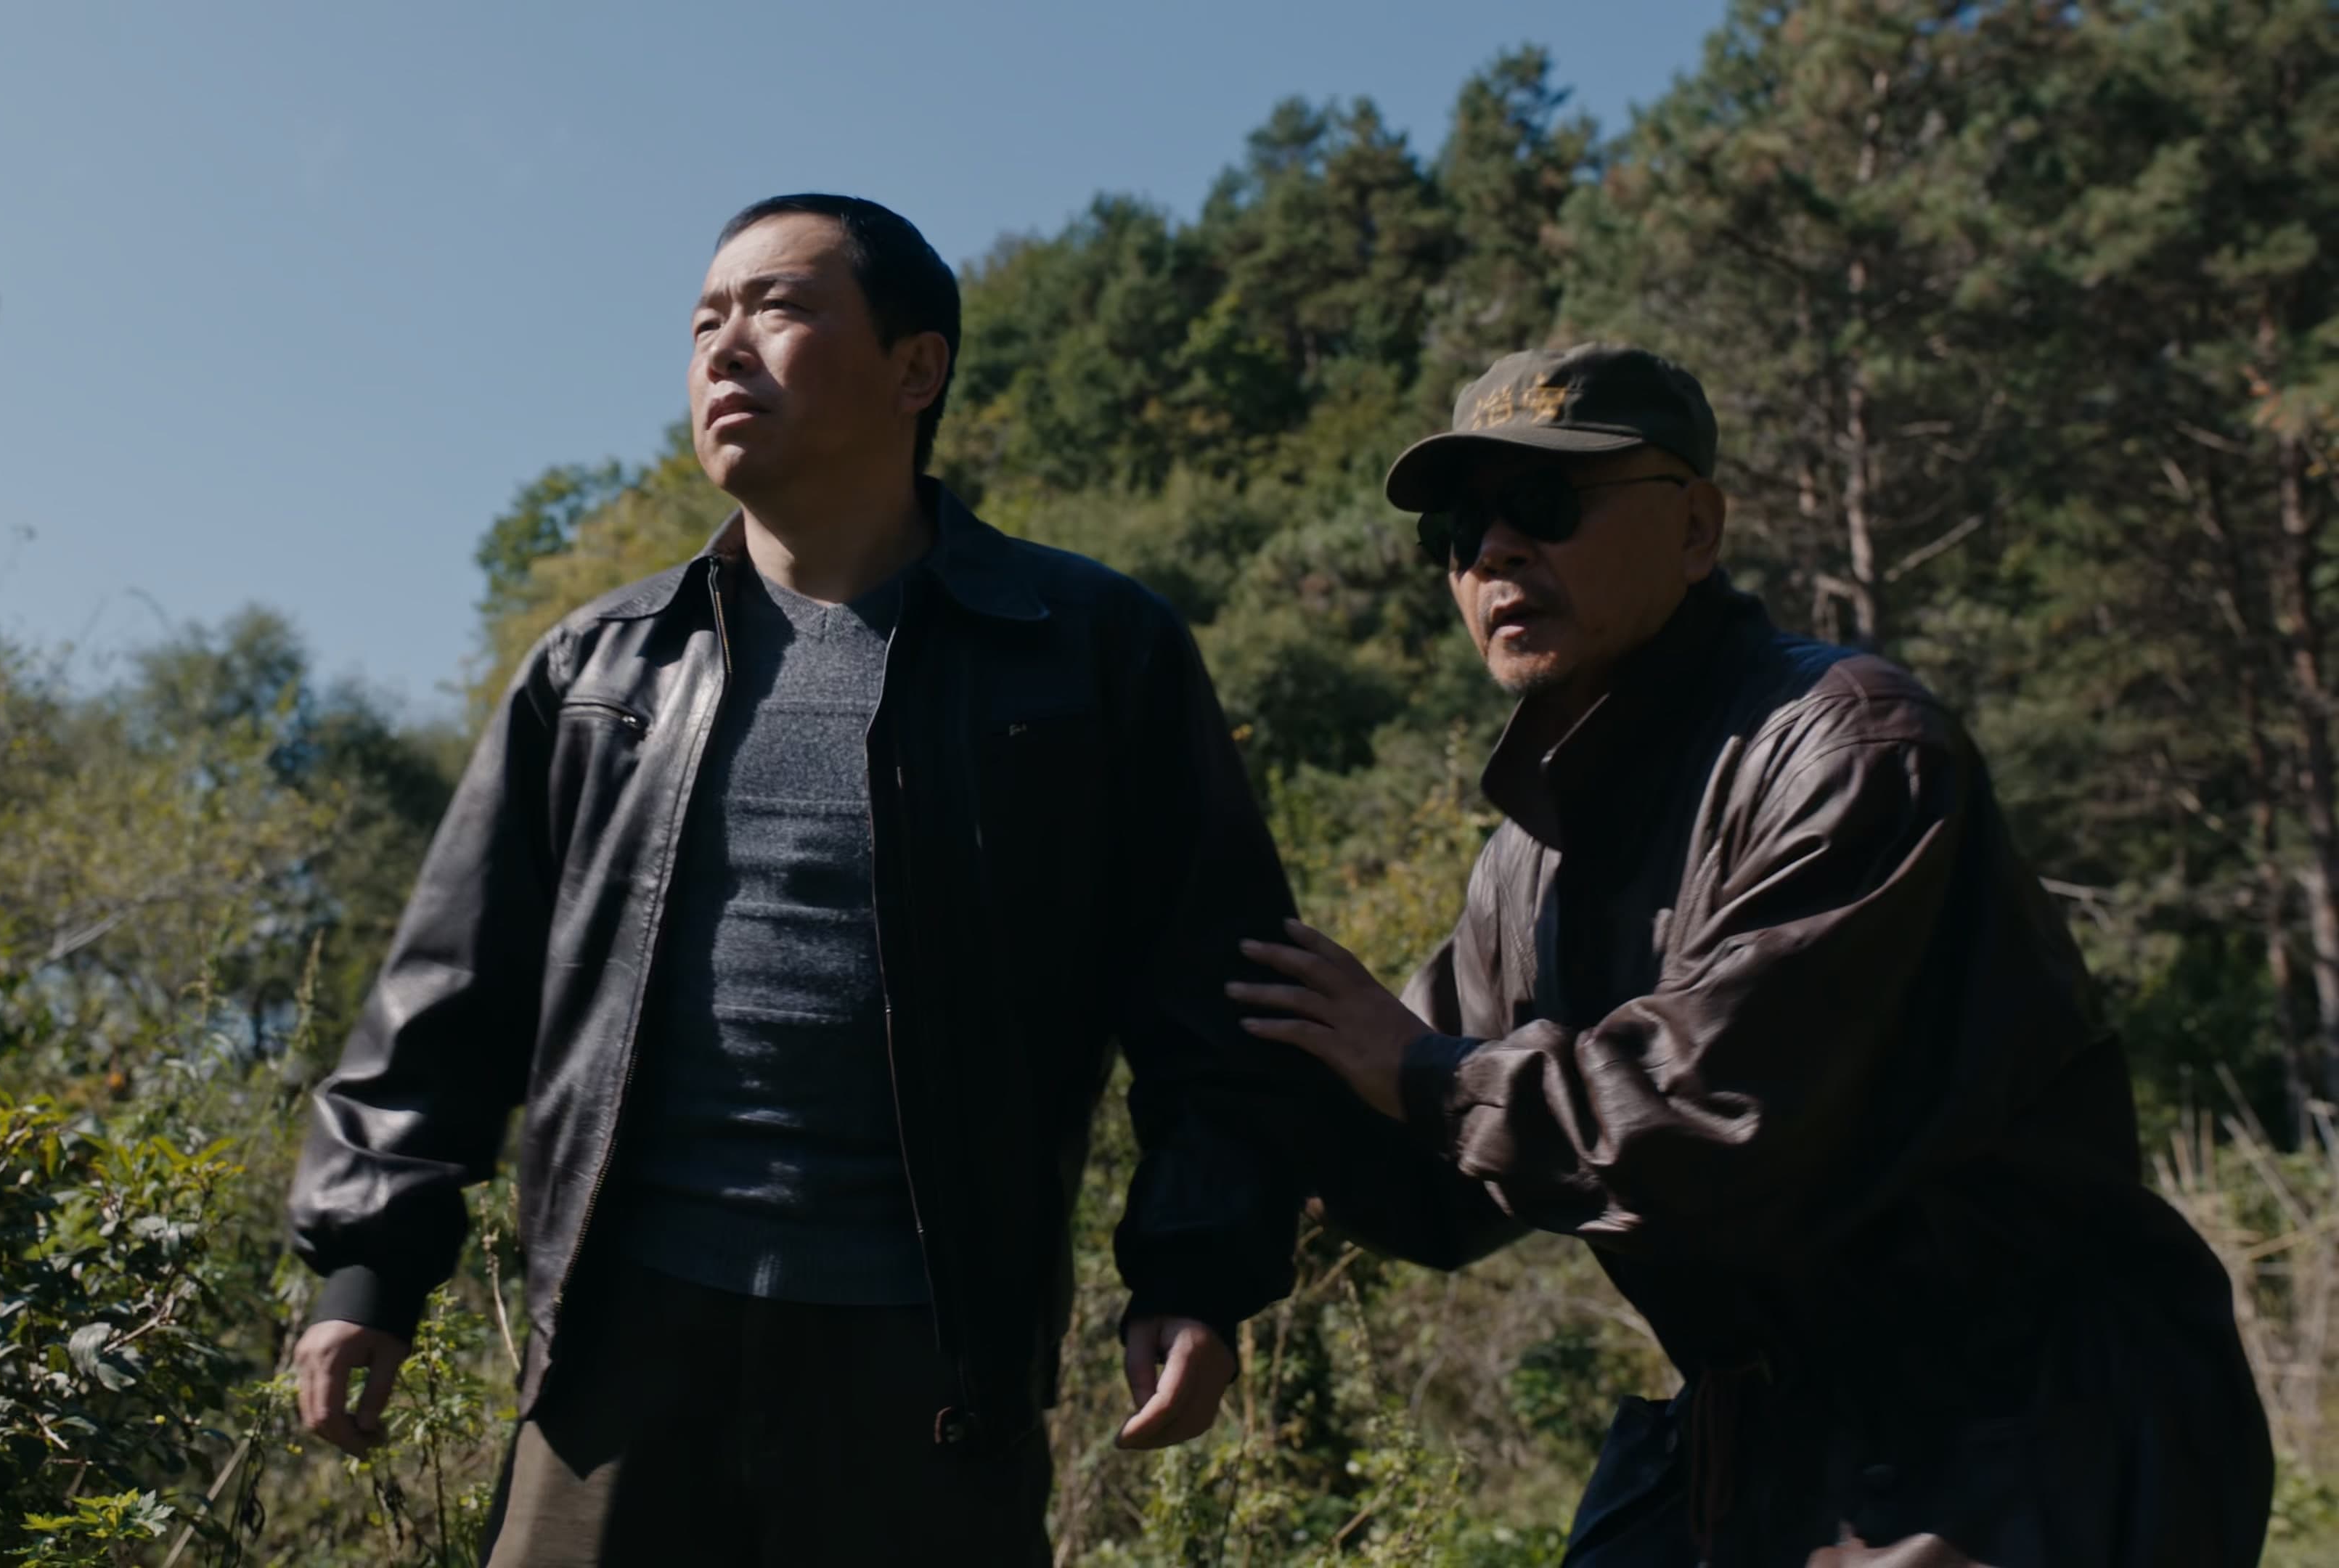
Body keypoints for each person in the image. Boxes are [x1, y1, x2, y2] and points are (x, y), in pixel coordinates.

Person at [285, 193, 1305, 1567]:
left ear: (916, 369)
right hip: (617, 1364)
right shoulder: (601, 670)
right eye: (704, 319)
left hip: (926, 1368)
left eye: (778, 307)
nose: (723, 347)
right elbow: (450, 989)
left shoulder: (1090, 654)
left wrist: (1195, 1270)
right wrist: (369, 1268)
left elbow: (1219, 999)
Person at [1231, 343, 2273, 1565]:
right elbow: (1431, 1174)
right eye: (1461, 531)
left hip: (2018, 1436)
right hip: (1766, 1441)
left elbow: (1705, 1120)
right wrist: (1222, 1094)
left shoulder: (1855, 752)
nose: (1497, 552)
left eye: (1547, 504)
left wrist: (1422, 1076)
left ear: (1697, 529)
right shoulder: (1529, 861)